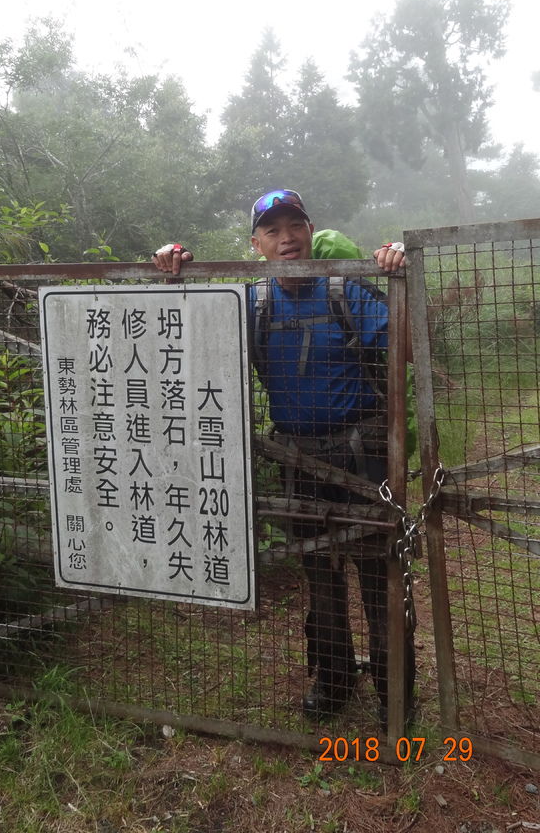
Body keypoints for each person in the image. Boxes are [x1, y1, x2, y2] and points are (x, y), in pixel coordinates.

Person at [152, 189, 414, 723]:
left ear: (311, 230)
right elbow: (194, 344)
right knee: (319, 576)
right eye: (272, 230)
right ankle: (334, 680)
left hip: (362, 457)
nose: (286, 238)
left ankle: (396, 693)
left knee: (378, 576)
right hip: (296, 459)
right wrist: (174, 275)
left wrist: (398, 275)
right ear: (256, 245)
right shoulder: (251, 302)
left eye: (295, 225)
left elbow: (406, 348)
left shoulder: (348, 289)